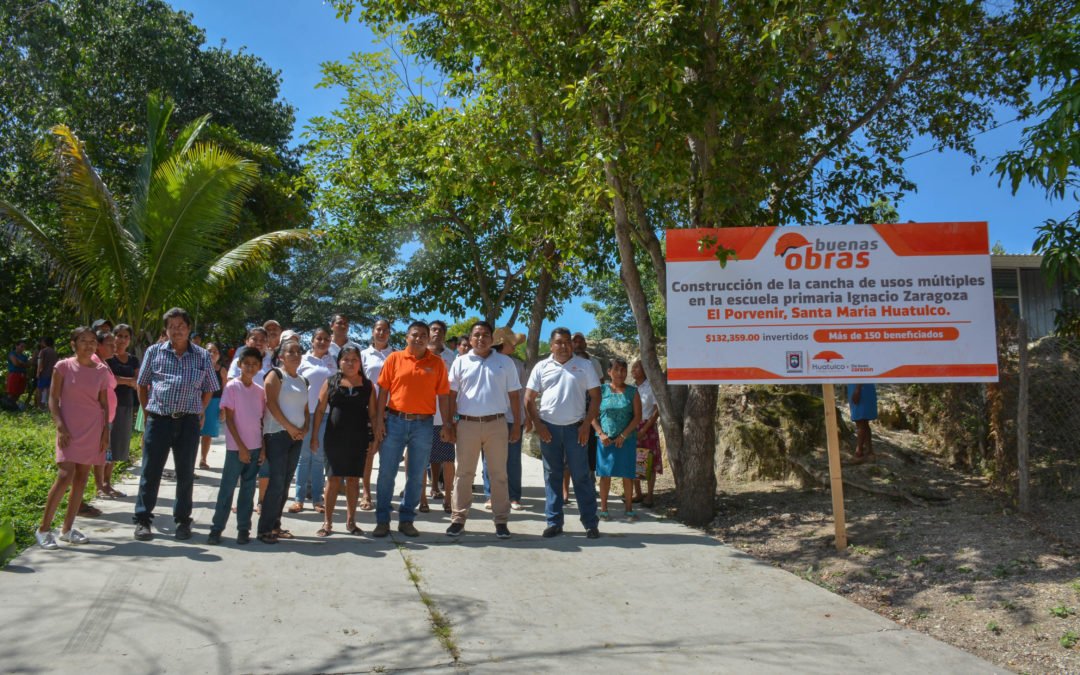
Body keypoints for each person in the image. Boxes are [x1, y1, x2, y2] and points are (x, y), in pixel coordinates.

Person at [133, 307, 220, 541]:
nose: (176, 330)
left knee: (185, 473)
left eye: (181, 326)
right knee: (151, 471)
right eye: (172, 326)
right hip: (159, 420)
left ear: (189, 328)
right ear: (166, 329)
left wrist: (200, 410)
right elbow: (142, 384)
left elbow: (210, 387)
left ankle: (182, 521)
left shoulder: (202, 355)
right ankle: (142, 519)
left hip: (188, 423)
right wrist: (146, 412)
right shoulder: (154, 352)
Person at [372, 321, 451, 538]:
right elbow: (383, 391)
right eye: (415, 335)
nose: (419, 338)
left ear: (428, 338)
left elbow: (443, 396)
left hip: (423, 425)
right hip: (394, 422)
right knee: (386, 473)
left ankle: (407, 519)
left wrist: (446, 424)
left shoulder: (437, 363)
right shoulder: (394, 358)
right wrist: (379, 421)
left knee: (416, 475)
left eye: (423, 335)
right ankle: (382, 520)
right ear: (407, 337)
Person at [34, 327, 110, 549]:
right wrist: (60, 426)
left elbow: (104, 403)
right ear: (73, 344)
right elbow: (53, 398)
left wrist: (106, 431)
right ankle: (43, 529)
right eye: (83, 341)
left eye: (93, 341)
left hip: (93, 428)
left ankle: (67, 529)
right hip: (68, 429)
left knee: (82, 477)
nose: (89, 345)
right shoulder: (63, 366)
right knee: (65, 474)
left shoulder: (101, 370)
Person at [446, 321, 522, 538]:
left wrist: (516, 424)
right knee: (464, 474)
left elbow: (514, 395)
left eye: (485, 335)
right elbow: (451, 395)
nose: (481, 338)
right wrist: (450, 424)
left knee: (499, 475)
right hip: (467, 424)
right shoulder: (460, 362)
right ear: (470, 340)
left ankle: (501, 521)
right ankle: (458, 520)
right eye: (476, 335)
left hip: (497, 424)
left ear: (492, 339)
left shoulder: (505, 362)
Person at [525, 327, 602, 539]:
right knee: (552, 476)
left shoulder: (585, 366)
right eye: (559, 342)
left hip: (576, 430)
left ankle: (590, 523)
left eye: (567, 342)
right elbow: (529, 398)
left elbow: (596, 397)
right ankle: (554, 521)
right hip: (549, 429)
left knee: (582, 476)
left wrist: (587, 424)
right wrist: (538, 425)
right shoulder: (542, 367)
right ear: (551, 345)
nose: (563, 346)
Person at [311, 344, 375, 536]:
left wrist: (375, 438)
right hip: (334, 438)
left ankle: (351, 522)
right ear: (339, 362)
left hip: (358, 438)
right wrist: (314, 436)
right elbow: (320, 410)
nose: (350, 363)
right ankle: (327, 523)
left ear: (359, 363)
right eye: (346, 359)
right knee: (333, 479)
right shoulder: (330, 382)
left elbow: (373, 414)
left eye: (354, 359)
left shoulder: (368, 385)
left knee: (354, 480)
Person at [207, 347, 266, 545]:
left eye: (254, 364)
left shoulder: (260, 392)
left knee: (248, 490)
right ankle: (217, 528)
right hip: (236, 449)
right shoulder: (232, 387)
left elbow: (262, 421)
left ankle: (243, 528)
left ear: (259, 367)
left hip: (255, 446)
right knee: (227, 489)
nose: (250, 367)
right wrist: (241, 447)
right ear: (239, 365)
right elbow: (229, 420)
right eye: (246, 363)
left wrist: (262, 448)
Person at [257, 341, 309, 544]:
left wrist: (304, 429)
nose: (295, 355)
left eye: (298, 351)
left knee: (286, 482)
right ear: (281, 356)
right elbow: (271, 403)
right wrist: (289, 427)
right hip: (277, 435)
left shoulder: (303, 380)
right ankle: (264, 529)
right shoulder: (275, 375)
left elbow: (305, 408)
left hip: (296, 437)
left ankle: (276, 526)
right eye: (291, 352)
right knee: (276, 483)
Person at [481, 328, 528, 510]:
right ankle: (490, 494)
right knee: (489, 459)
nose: (514, 347)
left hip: (513, 418)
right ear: (502, 343)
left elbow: (522, 392)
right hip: (490, 418)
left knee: (513, 459)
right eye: (511, 343)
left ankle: (514, 496)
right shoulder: (487, 362)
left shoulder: (518, 365)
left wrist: (524, 418)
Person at [291, 327, 336, 514]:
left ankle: (318, 499)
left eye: (326, 339)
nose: (322, 342)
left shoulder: (332, 361)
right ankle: (299, 499)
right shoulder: (303, 360)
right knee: (304, 457)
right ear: (312, 341)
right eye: (319, 338)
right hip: (305, 414)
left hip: (325, 414)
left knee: (318, 457)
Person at [594, 359, 641, 520]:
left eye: (623, 370)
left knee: (627, 474)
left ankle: (628, 509)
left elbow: (637, 417)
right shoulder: (601, 391)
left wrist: (623, 435)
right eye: (616, 369)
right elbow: (591, 416)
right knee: (605, 474)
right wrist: (601, 433)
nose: (620, 373)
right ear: (609, 372)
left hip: (626, 439)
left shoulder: (633, 392)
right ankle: (604, 510)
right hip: (605, 440)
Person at [563, 332, 604, 501]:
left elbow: (599, 386)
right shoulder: (565, 361)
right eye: (575, 340)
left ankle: (589, 485)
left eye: (581, 340)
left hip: (590, 411)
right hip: (569, 413)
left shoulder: (594, 362)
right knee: (566, 455)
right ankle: (564, 490)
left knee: (589, 451)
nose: (578, 343)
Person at [359, 318, 393, 511]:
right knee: (369, 453)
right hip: (368, 411)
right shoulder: (363, 355)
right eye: (378, 329)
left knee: (388, 455)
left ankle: (384, 496)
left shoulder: (396, 355)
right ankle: (366, 492)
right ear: (372, 332)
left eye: (385, 330)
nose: (381, 333)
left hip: (391, 411)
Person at [424, 319, 456, 513]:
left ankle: (447, 496)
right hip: (421, 415)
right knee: (421, 459)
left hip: (444, 416)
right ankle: (427, 491)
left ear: (444, 334)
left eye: (440, 330)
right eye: (433, 330)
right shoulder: (420, 354)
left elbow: (455, 389)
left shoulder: (452, 357)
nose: (436, 333)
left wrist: (454, 419)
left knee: (446, 458)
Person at [90, 330, 118, 505]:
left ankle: (103, 484)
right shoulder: (94, 362)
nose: (114, 347)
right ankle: (99, 486)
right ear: (98, 345)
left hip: (108, 415)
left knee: (104, 451)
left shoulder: (104, 363)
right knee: (98, 451)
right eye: (110, 344)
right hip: (98, 415)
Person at [630, 359, 662, 507]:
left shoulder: (651, 387)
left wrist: (645, 428)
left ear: (644, 370)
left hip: (647, 426)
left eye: (637, 367)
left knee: (649, 461)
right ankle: (638, 493)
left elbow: (657, 410)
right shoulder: (631, 388)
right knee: (634, 460)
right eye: (633, 368)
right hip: (633, 426)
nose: (633, 370)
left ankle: (650, 495)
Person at [198, 342, 227, 469]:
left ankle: (203, 459)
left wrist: (223, 408)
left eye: (215, 351)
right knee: (192, 432)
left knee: (207, 433)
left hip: (214, 402)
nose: (212, 354)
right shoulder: (198, 366)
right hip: (196, 401)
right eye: (209, 351)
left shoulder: (221, 370)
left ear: (219, 355)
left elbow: (226, 388)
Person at [849, 383, 878, 463]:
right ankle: (870, 453)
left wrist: (858, 389)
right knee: (864, 422)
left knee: (861, 421)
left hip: (861, 388)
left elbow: (861, 372)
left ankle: (859, 453)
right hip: (861, 387)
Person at [35, 337, 58, 409]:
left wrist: (38, 373)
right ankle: (48, 406)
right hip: (52, 374)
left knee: (39, 390)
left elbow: (40, 363)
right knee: (49, 390)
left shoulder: (43, 351)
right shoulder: (54, 352)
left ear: (45, 343)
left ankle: (40, 406)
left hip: (44, 373)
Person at [6, 339, 29, 406]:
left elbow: (28, 365)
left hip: (23, 375)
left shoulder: (24, 356)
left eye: (24, 347)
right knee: (11, 392)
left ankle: (13, 406)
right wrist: (22, 364)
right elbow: (15, 363)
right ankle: (7, 406)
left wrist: (20, 362)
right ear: (16, 346)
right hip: (14, 374)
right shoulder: (12, 353)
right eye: (21, 346)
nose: (23, 348)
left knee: (19, 392)